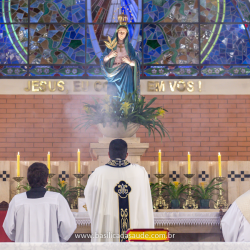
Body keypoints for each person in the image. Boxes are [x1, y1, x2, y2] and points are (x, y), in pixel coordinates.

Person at [84, 139, 154, 242]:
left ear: (108, 154)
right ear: (126, 154)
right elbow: (145, 203)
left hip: (107, 233)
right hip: (133, 233)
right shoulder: (140, 172)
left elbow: (89, 198)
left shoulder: (99, 174)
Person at [3, 162, 76, 242]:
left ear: (28, 179)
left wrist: (20, 237)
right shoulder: (57, 199)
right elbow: (68, 227)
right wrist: (57, 240)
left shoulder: (17, 200)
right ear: (47, 179)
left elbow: (9, 229)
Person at [100, 23, 140, 99]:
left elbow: (136, 61)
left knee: (128, 68)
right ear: (117, 33)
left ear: (126, 34)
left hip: (126, 73)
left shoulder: (129, 47)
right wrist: (109, 56)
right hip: (113, 71)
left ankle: (126, 105)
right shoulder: (111, 46)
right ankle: (114, 108)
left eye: (123, 32)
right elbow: (102, 59)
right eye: (120, 32)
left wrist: (129, 62)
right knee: (114, 94)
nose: (121, 34)